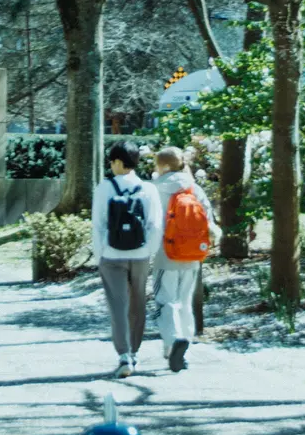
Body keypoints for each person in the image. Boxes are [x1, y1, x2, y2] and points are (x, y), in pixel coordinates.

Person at [91, 139, 163, 379]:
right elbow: (155, 225)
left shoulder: (104, 187)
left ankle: (124, 356)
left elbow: (98, 225)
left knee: (118, 307)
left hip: (112, 256)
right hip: (141, 256)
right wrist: (148, 251)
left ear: (119, 162)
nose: (111, 166)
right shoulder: (148, 189)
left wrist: (100, 254)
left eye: (112, 161)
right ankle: (134, 352)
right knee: (138, 305)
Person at [152, 145, 218, 373]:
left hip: (165, 254)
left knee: (165, 300)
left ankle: (173, 340)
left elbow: (149, 223)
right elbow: (209, 223)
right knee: (184, 300)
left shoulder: (154, 189)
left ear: (161, 166)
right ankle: (185, 346)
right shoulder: (194, 189)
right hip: (192, 255)